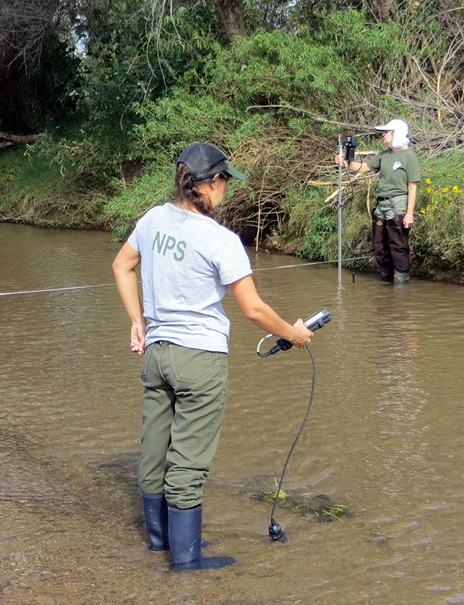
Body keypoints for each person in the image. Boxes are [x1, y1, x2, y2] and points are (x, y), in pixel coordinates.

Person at [112, 142, 314, 572]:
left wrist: (137, 321)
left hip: (157, 354)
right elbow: (254, 309)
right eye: (225, 182)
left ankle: (158, 545)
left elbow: (121, 266)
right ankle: (186, 561)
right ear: (212, 182)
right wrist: (294, 334)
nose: (227, 191)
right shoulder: (221, 241)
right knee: (188, 461)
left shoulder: (152, 219)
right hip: (199, 359)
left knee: (154, 451)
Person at [335, 118, 420, 284]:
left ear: (397, 134)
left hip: (398, 203)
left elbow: (412, 187)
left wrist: (409, 214)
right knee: (378, 244)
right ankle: (387, 277)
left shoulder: (409, 156)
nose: (383, 136)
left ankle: (401, 278)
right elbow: (364, 167)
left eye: (386, 133)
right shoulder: (383, 155)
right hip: (381, 205)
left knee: (397, 243)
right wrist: (345, 162)